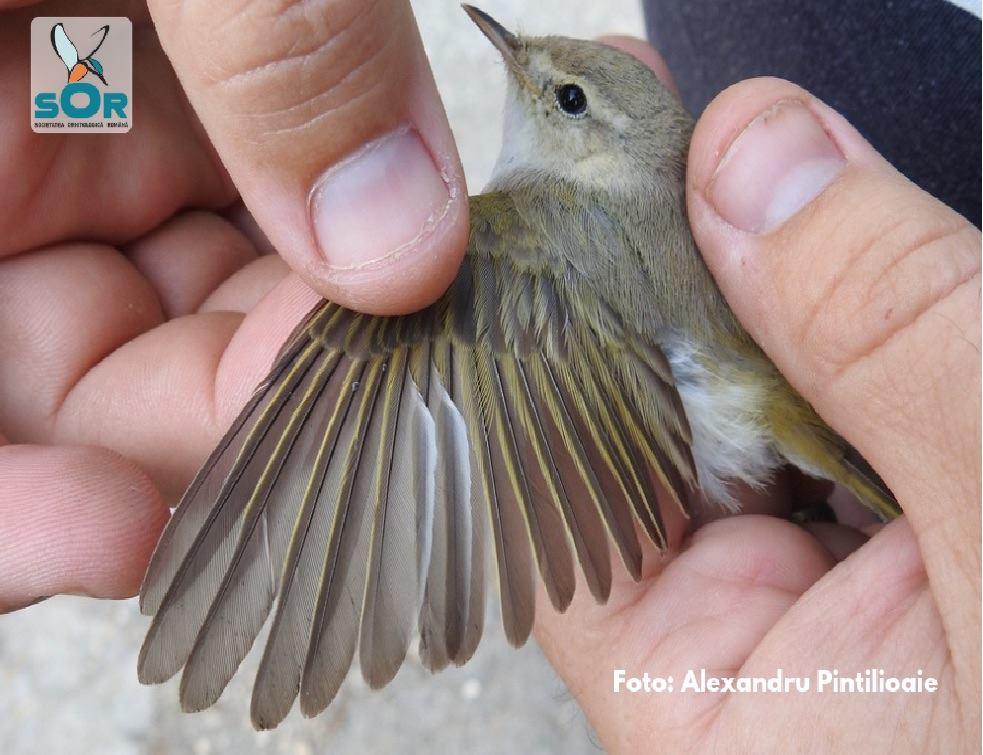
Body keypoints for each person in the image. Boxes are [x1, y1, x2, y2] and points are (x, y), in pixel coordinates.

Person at [0, 1, 978, 750]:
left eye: (563, 98)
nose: (522, 74)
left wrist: (74, 63)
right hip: (779, 350)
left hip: (749, 389)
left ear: (598, 143)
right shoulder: (605, 200)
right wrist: (68, 60)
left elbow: (411, 413)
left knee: (382, 322)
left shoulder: (509, 237)